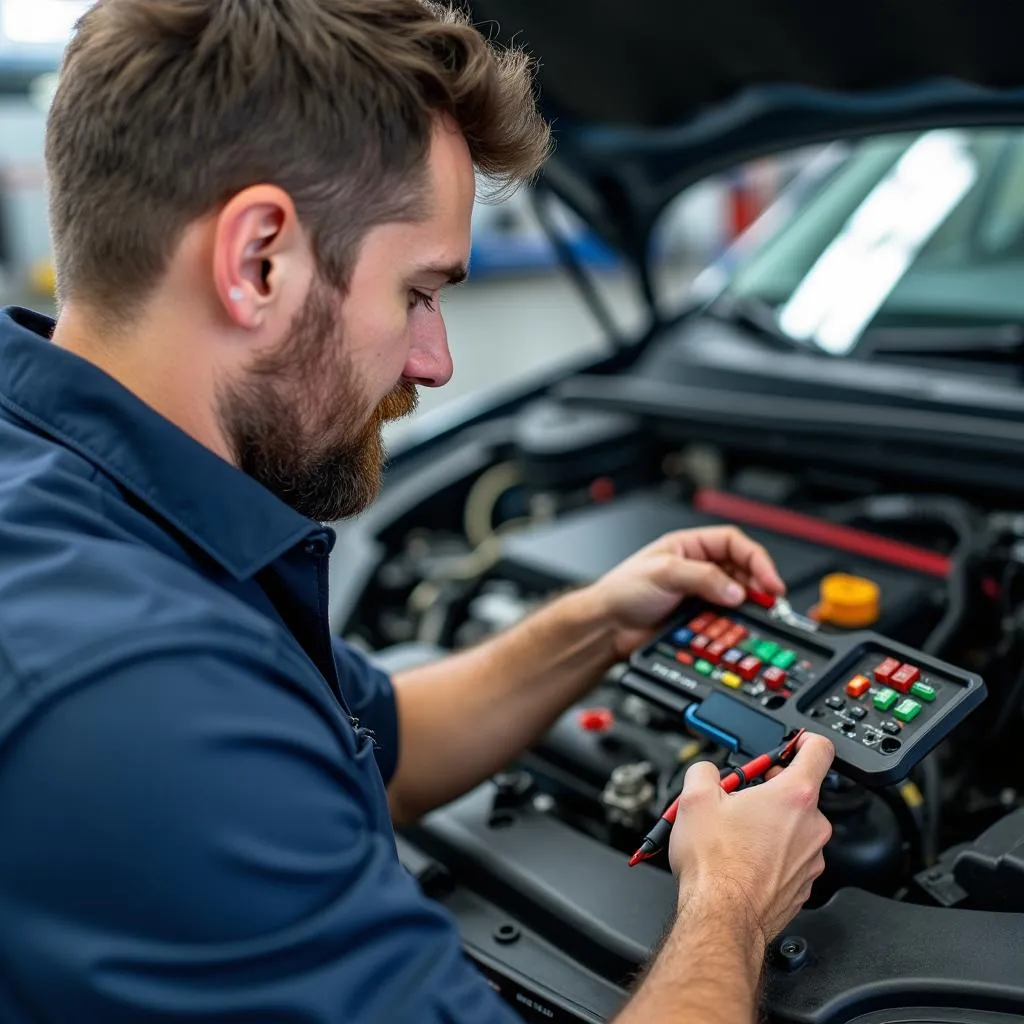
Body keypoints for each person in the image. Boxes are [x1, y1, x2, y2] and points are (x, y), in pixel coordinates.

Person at [0, 1, 835, 1021]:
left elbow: (375, 737)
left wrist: (600, 621)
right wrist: (734, 899)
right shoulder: (144, 698)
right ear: (258, 258)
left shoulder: (90, 494)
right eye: (420, 292)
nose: (434, 362)